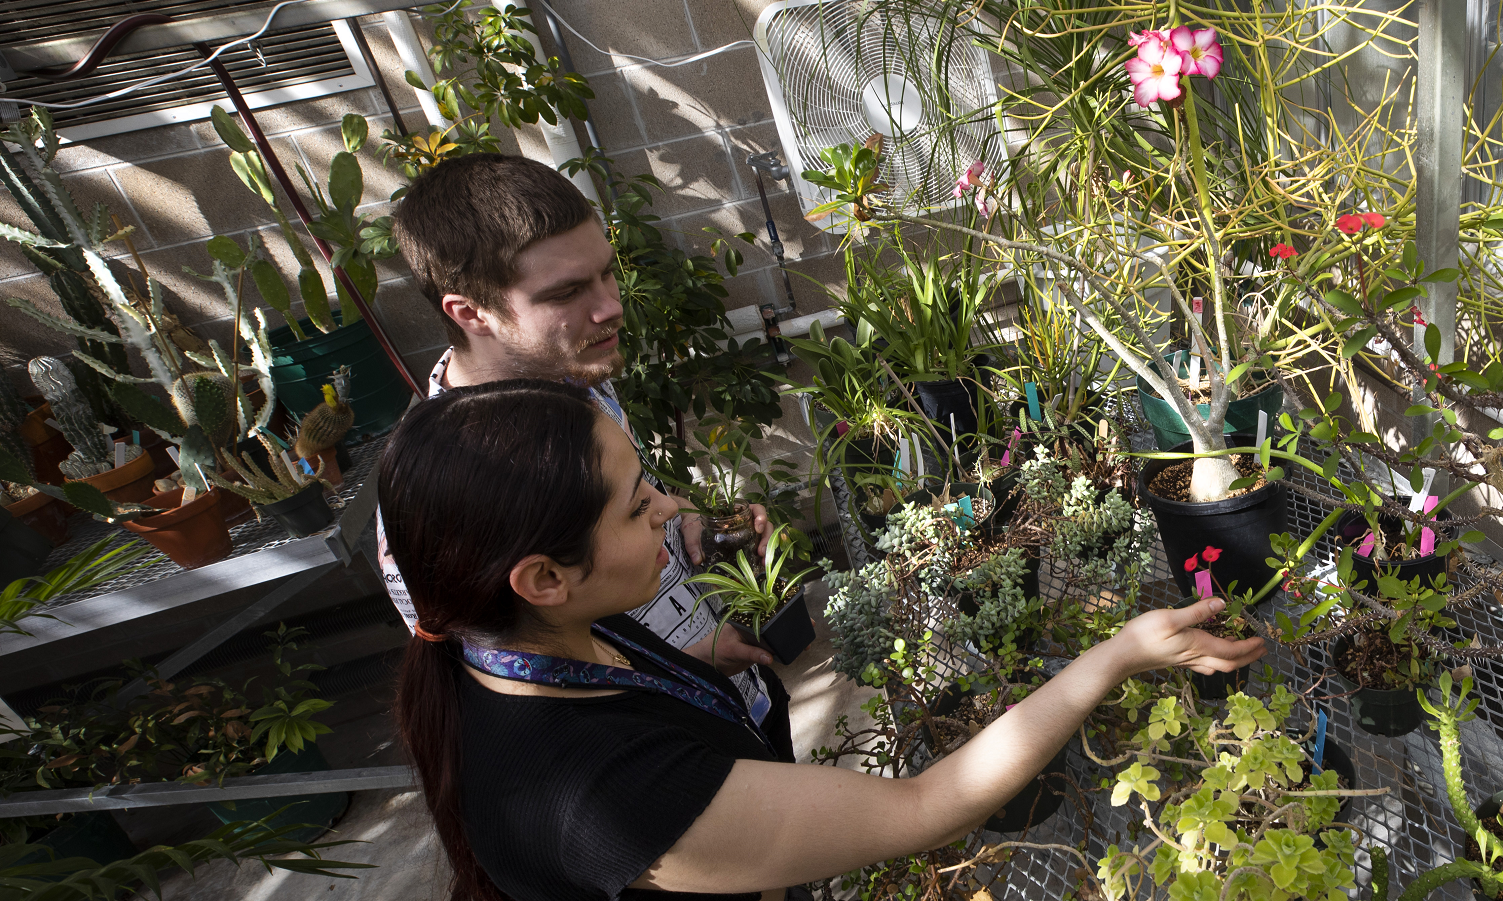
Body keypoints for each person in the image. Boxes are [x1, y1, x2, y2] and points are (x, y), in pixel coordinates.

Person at [383, 380, 1265, 901]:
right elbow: (925, 806)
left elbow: (622, 701)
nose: (669, 509)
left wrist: (687, 663)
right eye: (635, 504)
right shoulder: (602, 794)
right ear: (541, 576)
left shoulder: (530, 637)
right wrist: (1115, 654)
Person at [379, 153, 782, 739]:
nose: (610, 306)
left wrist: (684, 517)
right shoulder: (438, 491)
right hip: (662, 746)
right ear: (471, 313)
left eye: (606, 273)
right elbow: (502, 684)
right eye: (565, 292)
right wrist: (676, 667)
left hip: (738, 692)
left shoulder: (575, 374)